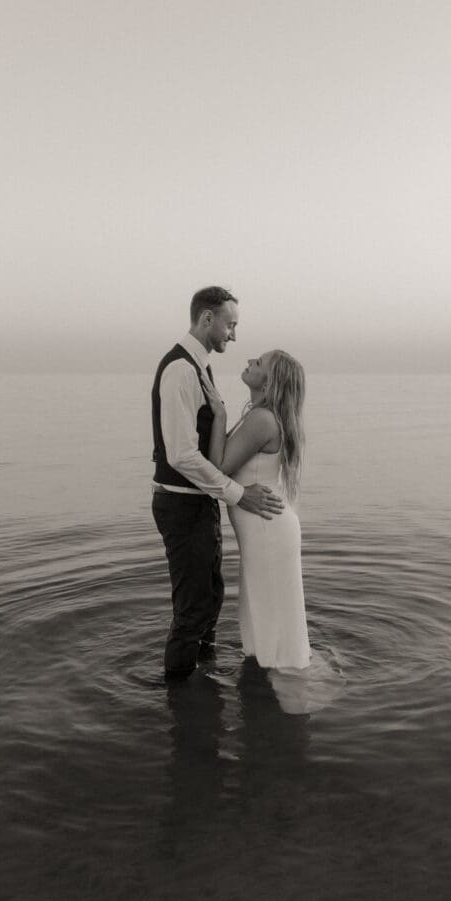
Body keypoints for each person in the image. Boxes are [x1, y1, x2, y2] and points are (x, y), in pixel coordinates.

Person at [151, 286, 284, 679]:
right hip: (181, 503)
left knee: (211, 599)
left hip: (199, 502)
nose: (234, 335)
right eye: (231, 324)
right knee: (193, 609)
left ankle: (204, 686)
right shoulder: (179, 369)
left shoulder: (199, 366)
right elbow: (181, 455)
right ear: (207, 318)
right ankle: (179, 700)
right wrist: (239, 495)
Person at [203, 349, 311, 670]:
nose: (251, 361)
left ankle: (287, 689)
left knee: (272, 615)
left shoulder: (262, 419)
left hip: (268, 530)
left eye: (259, 363)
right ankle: (271, 682)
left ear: (270, 381)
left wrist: (219, 415)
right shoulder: (259, 415)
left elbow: (218, 466)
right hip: (266, 530)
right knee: (263, 613)